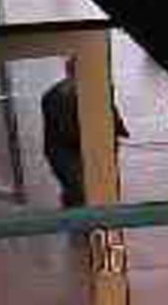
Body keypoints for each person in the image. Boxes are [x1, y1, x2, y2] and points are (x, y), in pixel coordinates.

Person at [41, 60, 129, 208]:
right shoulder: (56, 96)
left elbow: (110, 111)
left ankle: (97, 218)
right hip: (65, 151)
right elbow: (65, 131)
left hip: (86, 144)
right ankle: (78, 219)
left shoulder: (100, 86)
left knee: (106, 186)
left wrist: (117, 131)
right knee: (80, 190)